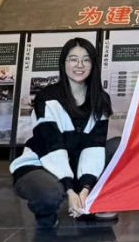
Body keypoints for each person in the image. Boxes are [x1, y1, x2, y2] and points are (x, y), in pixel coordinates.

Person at [10, 38, 119, 230]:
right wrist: (69, 189)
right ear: (64, 63)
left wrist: (85, 188)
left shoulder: (100, 99)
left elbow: (94, 147)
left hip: (77, 165)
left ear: (93, 64)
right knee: (49, 193)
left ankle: (90, 201)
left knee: (118, 147)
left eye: (86, 60)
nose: (79, 65)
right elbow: (52, 147)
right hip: (42, 163)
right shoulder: (47, 98)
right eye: (73, 59)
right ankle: (47, 213)